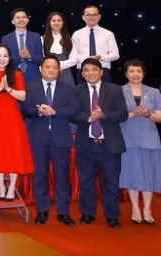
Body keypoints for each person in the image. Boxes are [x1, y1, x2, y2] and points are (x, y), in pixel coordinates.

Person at [71, 58, 128, 228]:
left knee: (111, 182)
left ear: (101, 72)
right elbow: (72, 114)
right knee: (86, 181)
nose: (90, 73)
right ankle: (88, 213)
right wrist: (89, 118)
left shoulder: (115, 89)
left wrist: (104, 115)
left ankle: (112, 215)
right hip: (86, 143)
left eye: (94, 69)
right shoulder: (76, 90)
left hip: (109, 144)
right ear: (82, 73)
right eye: (86, 70)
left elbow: (123, 114)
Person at [23, 56, 79, 226]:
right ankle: (42, 211)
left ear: (59, 70)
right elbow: (25, 108)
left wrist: (55, 111)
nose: (52, 70)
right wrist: (39, 111)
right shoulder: (31, 87)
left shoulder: (68, 88)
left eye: (55, 67)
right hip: (38, 138)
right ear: (41, 69)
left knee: (63, 177)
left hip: (61, 137)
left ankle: (63, 212)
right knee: (40, 176)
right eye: (48, 67)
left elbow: (74, 108)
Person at [0, 44, 34, 200]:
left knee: (14, 151)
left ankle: (12, 187)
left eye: (5, 56)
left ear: (9, 58)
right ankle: (1, 186)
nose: (2, 59)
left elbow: (23, 96)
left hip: (13, 117)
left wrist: (8, 89)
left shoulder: (17, 74)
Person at [119, 59, 161, 225]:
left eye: (138, 71)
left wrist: (148, 114)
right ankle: (136, 208)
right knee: (132, 173)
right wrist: (134, 114)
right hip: (128, 138)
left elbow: (160, 116)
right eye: (131, 71)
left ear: (143, 73)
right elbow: (117, 115)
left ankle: (147, 209)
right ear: (126, 74)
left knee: (149, 174)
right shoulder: (119, 91)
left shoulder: (154, 92)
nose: (135, 74)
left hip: (149, 138)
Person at [71, 5, 119, 83]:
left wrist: (101, 57)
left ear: (99, 16)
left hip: (103, 72)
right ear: (83, 17)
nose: (92, 17)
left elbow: (115, 55)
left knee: (105, 95)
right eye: (88, 15)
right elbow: (73, 55)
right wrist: (88, 60)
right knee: (82, 95)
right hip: (83, 72)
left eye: (94, 15)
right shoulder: (76, 34)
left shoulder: (108, 34)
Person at [1, 8, 43, 83]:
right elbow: (5, 59)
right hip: (13, 75)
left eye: (23, 17)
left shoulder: (36, 37)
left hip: (33, 76)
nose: (21, 20)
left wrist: (29, 56)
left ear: (27, 20)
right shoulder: (6, 39)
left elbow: (40, 58)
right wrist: (20, 57)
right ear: (13, 21)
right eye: (18, 18)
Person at [42, 12, 78, 84]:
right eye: (54, 20)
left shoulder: (69, 40)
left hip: (65, 73)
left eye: (59, 20)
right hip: (48, 73)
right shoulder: (42, 39)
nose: (56, 23)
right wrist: (52, 67)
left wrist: (59, 65)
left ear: (63, 23)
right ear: (49, 23)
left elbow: (74, 59)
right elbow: (41, 57)